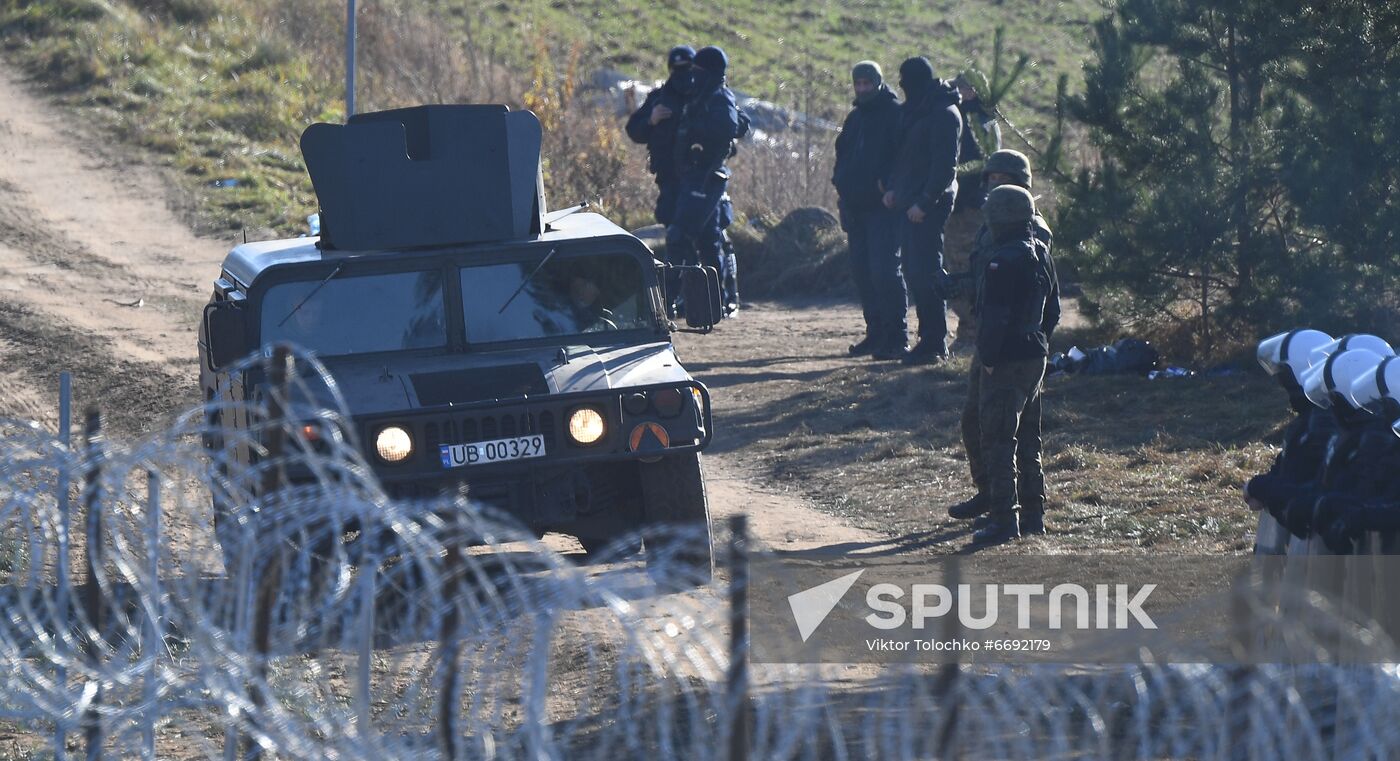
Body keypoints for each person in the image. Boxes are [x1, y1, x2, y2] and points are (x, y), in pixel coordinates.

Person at [949, 149, 1057, 525]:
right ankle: (1007, 501)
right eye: (990, 178)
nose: (994, 185)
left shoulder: (1027, 229)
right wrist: (954, 287)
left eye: (1002, 178)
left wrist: (1001, 351)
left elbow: (1018, 296)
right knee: (990, 425)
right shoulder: (998, 224)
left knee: (1001, 432)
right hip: (1017, 345)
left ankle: (1006, 511)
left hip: (1006, 346)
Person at [884, 56, 962, 365]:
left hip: (929, 205)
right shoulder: (917, 110)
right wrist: (893, 189)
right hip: (909, 202)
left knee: (927, 273)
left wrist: (924, 202)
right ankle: (928, 339)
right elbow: (904, 157)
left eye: (906, 81)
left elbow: (945, 167)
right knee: (916, 273)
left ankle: (934, 342)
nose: (902, 87)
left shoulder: (943, 113)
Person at [832, 60, 906, 359]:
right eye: (858, 84)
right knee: (863, 273)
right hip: (855, 207)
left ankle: (897, 337)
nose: (862, 89)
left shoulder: (894, 114)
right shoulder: (855, 118)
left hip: (883, 209)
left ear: (879, 82)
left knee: (885, 272)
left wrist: (889, 187)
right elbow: (843, 156)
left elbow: (903, 157)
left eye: (867, 83)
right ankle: (875, 334)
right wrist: (841, 187)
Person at [665, 46, 740, 316]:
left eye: (698, 71)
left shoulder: (718, 97)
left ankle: (665, 303)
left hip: (705, 178)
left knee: (680, 237)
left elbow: (731, 125)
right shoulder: (702, 95)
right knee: (708, 243)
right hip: (694, 178)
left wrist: (701, 141)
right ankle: (712, 303)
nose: (693, 76)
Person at [944, 71, 1003, 351]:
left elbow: (972, 168)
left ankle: (970, 334)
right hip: (975, 204)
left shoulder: (973, 122)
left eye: (962, 88)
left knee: (963, 269)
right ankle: (970, 331)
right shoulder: (984, 120)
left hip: (969, 206)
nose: (958, 92)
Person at [626, 46, 696, 227]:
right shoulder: (659, 98)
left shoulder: (702, 96)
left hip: (699, 174)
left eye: (686, 67)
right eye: (676, 68)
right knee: (668, 216)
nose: (681, 73)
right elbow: (633, 130)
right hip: (669, 174)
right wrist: (651, 120)